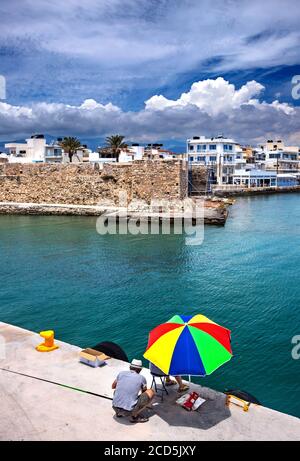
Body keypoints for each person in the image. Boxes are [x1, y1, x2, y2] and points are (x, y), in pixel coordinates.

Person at [112, 359, 155, 423]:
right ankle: (134, 417)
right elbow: (144, 392)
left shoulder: (121, 373)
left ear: (130, 367)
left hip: (114, 407)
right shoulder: (141, 378)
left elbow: (113, 386)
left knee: (117, 391)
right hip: (129, 411)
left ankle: (118, 413)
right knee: (151, 391)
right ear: (140, 369)